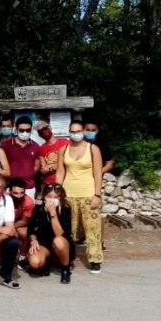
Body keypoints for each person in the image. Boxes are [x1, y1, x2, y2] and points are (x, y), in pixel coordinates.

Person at [56, 120, 104, 273]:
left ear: (83, 131)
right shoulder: (63, 149)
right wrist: (57, 192)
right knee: (69, 230)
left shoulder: (93, 149)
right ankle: (67, 258)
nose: (75, 134)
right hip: (68, 194)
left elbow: (98, 173)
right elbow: (60, 172)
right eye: (72, 131)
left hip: (88, 193)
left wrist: (97, 194)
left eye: (78, 131)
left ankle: (95, 259)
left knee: (92, 229)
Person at [27, 183, 74, 283]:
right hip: (44, 244)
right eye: (49, 196)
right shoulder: (38, 209)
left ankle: (65, 269)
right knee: (35, 262)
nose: (52, 199)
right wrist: (33, 240)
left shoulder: (65, 209)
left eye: (56, 197)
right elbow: (31, 229)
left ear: (60, 197)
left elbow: (59, 234)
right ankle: (47, 262)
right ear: (44, 196)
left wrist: (53, 213)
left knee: (58, 241)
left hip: (62, 244)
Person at [84, 119, 115, 249]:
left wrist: (98, 173)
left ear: (98, 131)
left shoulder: (102, 144)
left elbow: (110, 162)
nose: (90, 132)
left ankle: (99, 241)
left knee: (96, 211)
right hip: (79, 182)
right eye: (88, 130)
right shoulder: (77, 144)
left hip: (95, 182)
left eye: (93, 130)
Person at [1, 116, 39, 199]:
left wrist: (27, 175)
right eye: (22, 130)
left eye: (28, 130)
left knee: (28, 207)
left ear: (31, 129)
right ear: (16, 129)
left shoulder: (35, 146)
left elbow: (36, 167)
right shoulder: (5, 146)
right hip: (10, 187)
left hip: (29, 187)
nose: (25, 132)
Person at [9, 178, 35, 269]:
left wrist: (11, 227)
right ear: (10, 191)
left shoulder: (28, 202)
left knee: (24, 233)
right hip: (5, 223)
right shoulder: (4, 198)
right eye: (15, 193)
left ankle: (23, 256)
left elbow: (24, 221)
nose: (19, 196)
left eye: (21, 193)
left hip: (20, 223)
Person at [36, 121, 69, 187]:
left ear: (50, 128)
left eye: (45, 128)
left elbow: (68, 162)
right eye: (40, 131)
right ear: (39, 135)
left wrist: (50, 168)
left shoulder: (65, 142)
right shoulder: (41, 148)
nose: (44, 131)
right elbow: (44, 170)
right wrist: (59, 165)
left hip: (65, 181)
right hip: (49, 183)